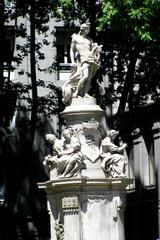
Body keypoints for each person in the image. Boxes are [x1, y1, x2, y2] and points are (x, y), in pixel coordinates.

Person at [62, 23, 102, 104]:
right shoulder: (75, 38)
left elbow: (93, 51)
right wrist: (72, 61)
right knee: (85, 76)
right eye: (87, 29)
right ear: (83, 29)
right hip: (83, 58)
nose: (89, 30)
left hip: (91, 59)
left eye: (89, 29)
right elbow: (71, 50)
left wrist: (98, 51)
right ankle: (77, 91)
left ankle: (85, 93)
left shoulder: (89, 40)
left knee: (89, 78)